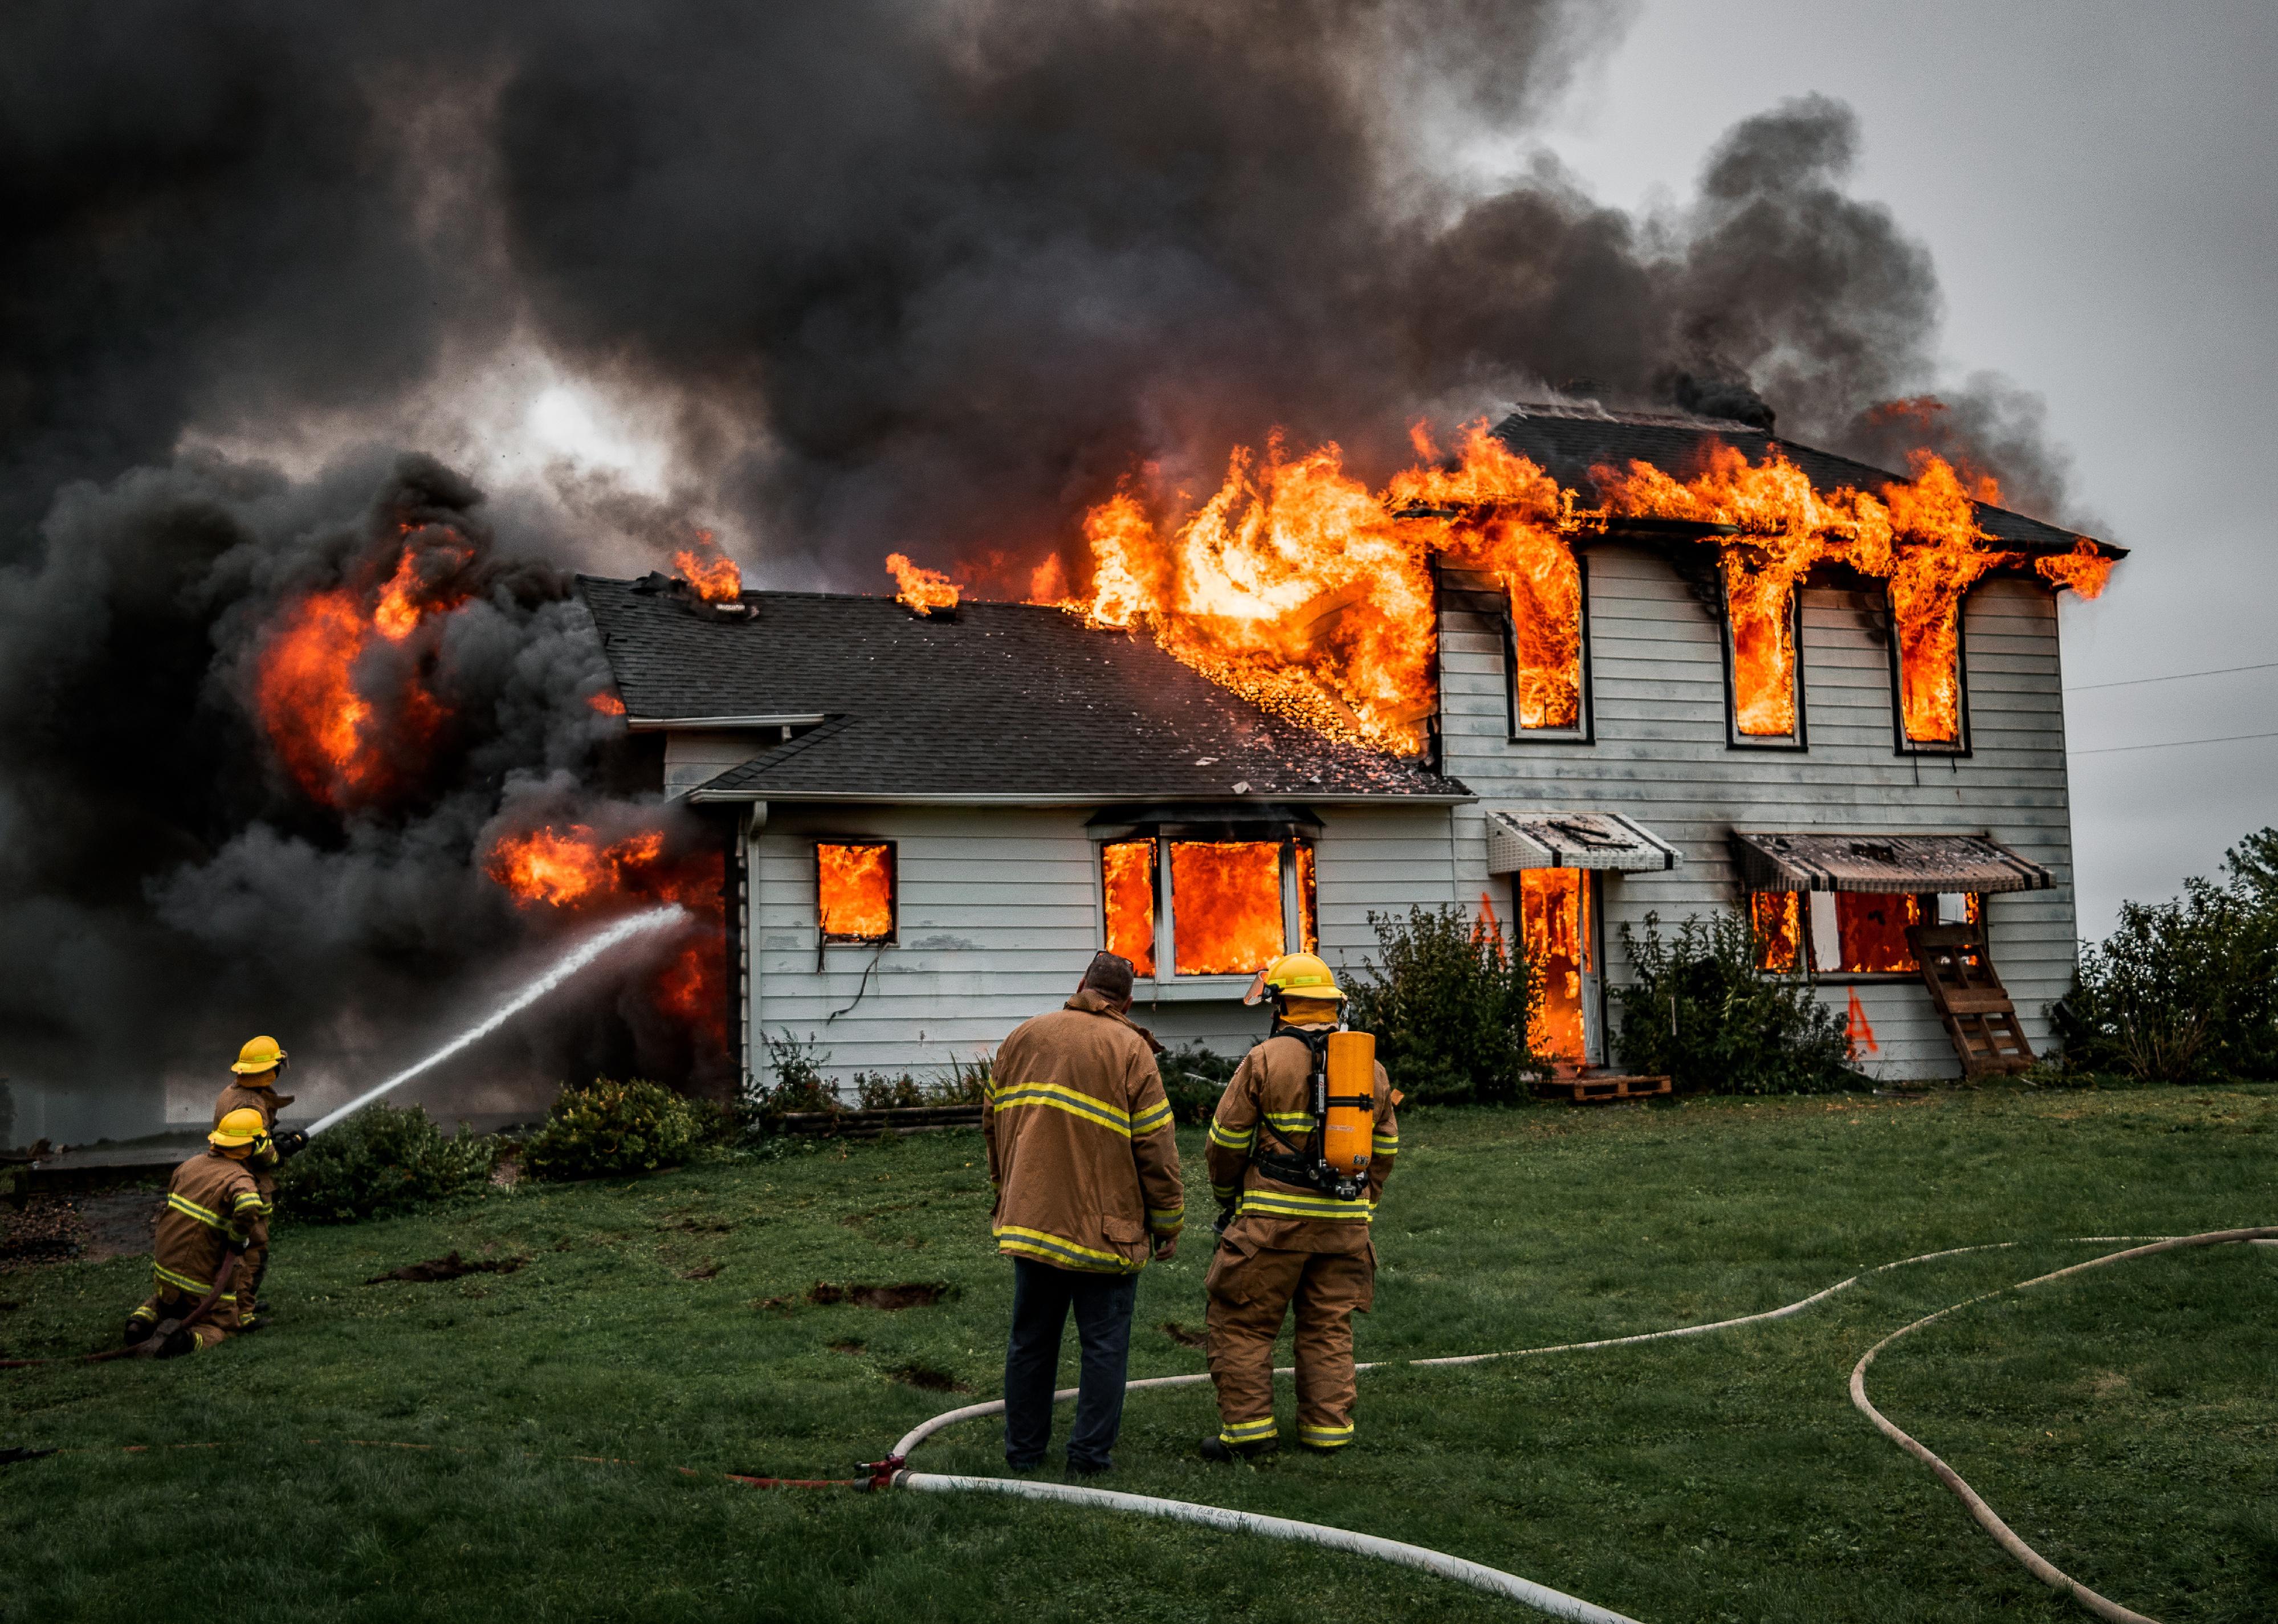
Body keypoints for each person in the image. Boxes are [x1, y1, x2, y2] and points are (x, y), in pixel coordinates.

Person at [983, 950, 1184, 1475]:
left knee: (1030, 1341)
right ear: (1126, 1002)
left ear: (1080, 986)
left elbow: (991, 1123)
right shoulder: (1130, 1050)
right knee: (1103, 1347)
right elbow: (1156, 1147)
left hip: (1032, 1222)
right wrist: (1167, 1220)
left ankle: (1023, 1455)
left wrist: (1008, 1190)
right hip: (1105, 1232)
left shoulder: (1022, 1036)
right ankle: (1089, 1459)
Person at [1200, 952, 1398, 1460]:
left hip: (1271, 1226)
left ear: (1281, 1005)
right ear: (1333, 1006)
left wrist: (1229, 1199)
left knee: (1242, 1323)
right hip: (1345, 1227)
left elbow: (1224, 1143)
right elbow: (1386, 1148)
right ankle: (1326, 1433)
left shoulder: (1266, 1060)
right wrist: (1363, 1204)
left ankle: (1249, 1435)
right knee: (1327, 1328)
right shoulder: (1369, 1068)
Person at [124, 1108, 273, 1357]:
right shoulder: (239, 1178)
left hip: (166, 1274)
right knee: (221, 1325)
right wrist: (238, 1239)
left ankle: (140, 1322)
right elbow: (249, 1205)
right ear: (250, 1146)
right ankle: (183, 1341)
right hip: (200, 1286)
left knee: (164, 1302)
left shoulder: (189, 1166)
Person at [212, 1035, 304, 1329]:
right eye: (277, 1066)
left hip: (233, 1175)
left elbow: (252, 1139)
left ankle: (241, 1300)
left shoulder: (234, 1093)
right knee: (254, 1247)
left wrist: (271, 1140)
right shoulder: (251, 1106)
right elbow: (263, 1156)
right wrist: (283, 1150)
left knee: (244, 1247)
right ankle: (243, 1313)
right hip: (248, 1181)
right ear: (268, 1071)